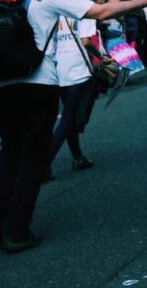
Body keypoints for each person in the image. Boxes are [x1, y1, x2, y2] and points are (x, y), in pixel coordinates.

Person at [0, 0, 147, 252]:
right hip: (38, 82)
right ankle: (17, 231)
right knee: (33, 156)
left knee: (9, 152)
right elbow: (100, 12)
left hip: (1, 85)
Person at [45, 14, 99, 180]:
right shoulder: (84, 11)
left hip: (56, 70)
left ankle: (78, 157)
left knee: (70, 116)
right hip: (78, 71)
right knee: (69, 119)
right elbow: (86, 41)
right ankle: (44, 164)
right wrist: (99, 56)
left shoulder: (54, 11)